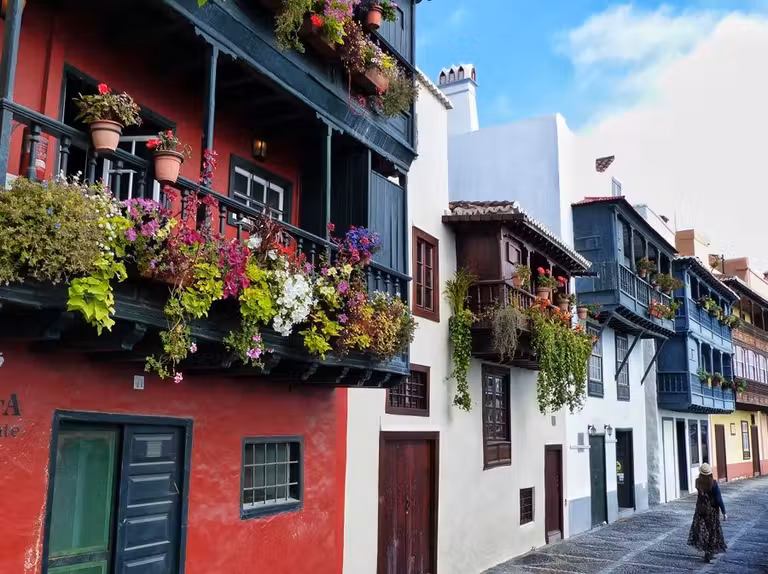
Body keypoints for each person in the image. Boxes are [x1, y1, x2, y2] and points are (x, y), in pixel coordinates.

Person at [688, 462, 727, 562]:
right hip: (712, 511)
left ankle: (707, 551)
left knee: (704, 530)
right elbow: (718, 499)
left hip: (701, 510)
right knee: (712, 531)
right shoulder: (713, 484)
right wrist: (724, 512)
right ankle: (709, 553)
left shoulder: (698, 482)